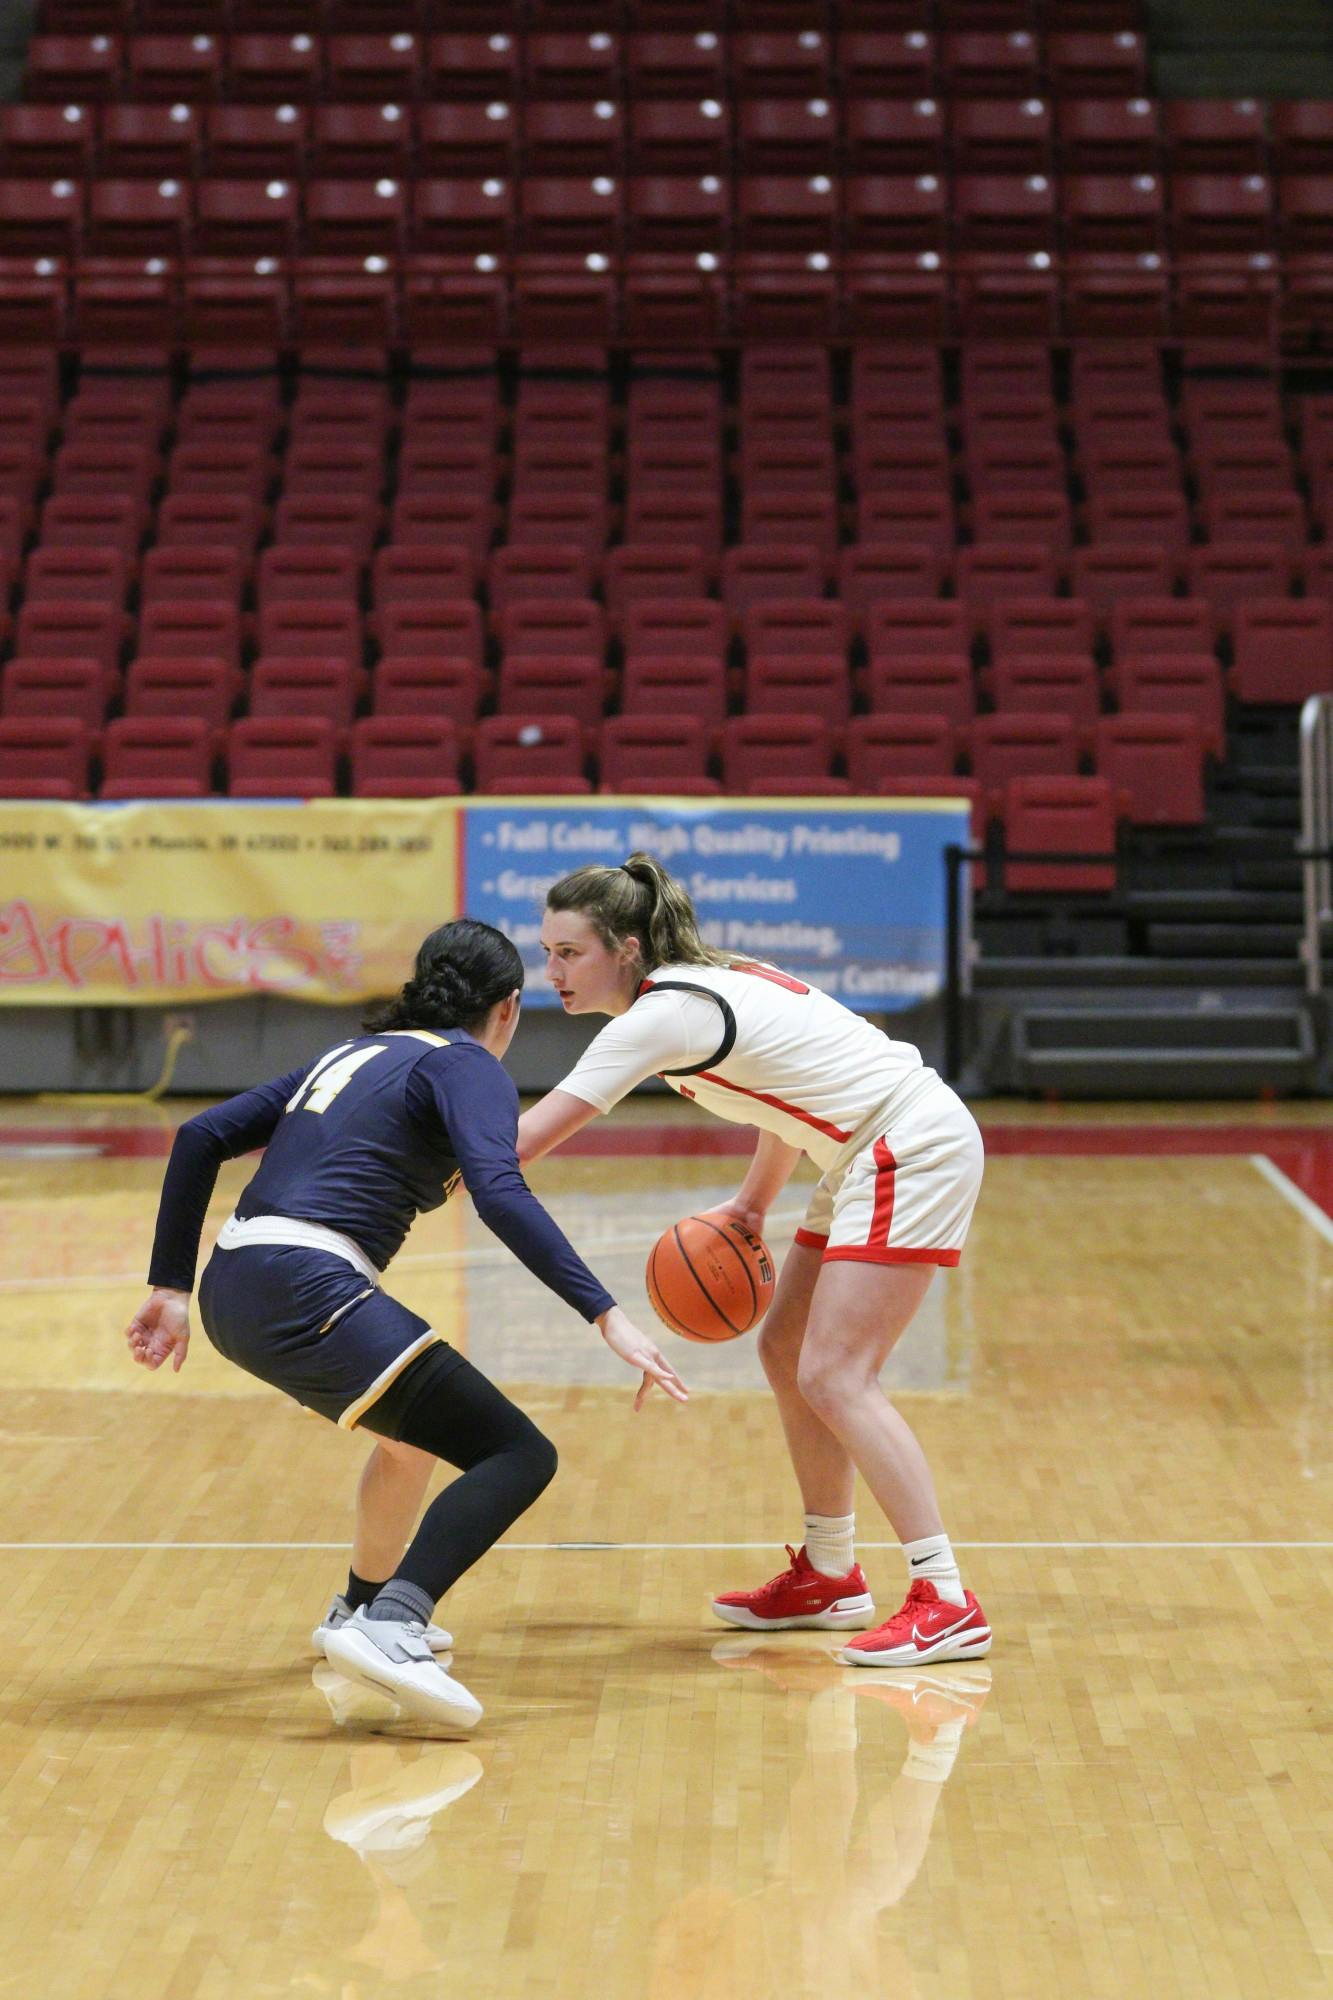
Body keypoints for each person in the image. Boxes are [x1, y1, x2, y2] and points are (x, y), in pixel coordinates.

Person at [124, 917, 688, 1729]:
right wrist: (604, 1313)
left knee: (411, 1436)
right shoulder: (468, 1065)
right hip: (306, 1284)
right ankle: (396, 1625)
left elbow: (199, 1134)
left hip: (231, 1284)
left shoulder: (352, 1054)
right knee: (517, 1452)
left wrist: (171, 1287)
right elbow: (500, 1190)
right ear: (508, 1008)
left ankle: (357, 1610)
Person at [516, 855, 990, 1669]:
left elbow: (524, 1144)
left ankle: (946, 1598)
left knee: (837, 1376)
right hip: (858, 1146)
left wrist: (400, 1151)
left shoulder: (654, 1020)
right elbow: (794, 1089)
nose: (549, 971)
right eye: (548, 951)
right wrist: (751, 1205)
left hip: (907, 1145)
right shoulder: (708, 979)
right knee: (783, 1349)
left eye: (568, 953)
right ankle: (832, 1574)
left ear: (625, 949)